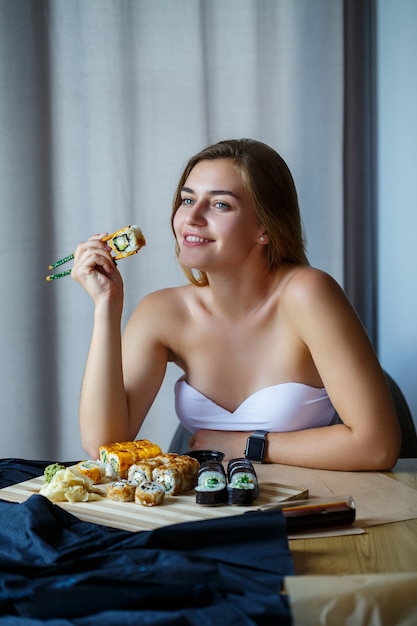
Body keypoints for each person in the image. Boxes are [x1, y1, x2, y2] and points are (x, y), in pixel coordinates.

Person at [71, 138, 401, 470]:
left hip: (315, 502)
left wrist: (245, 444)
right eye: (187, 200)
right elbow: (103, 445)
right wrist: (106, 307)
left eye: (220, 205)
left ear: (264, 228)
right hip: (214, 506)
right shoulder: (162, 312)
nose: (192, 218)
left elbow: (377, 447)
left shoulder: (308, 293)